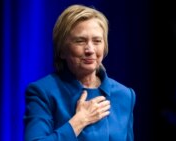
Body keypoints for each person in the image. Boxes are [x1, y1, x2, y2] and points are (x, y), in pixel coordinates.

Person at [24, 4, 136, 141]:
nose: (90, 49)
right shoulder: (43, 92)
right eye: (80, 41)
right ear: (62, 50)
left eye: (97, 41)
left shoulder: (125, 95)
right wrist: (79, 121)